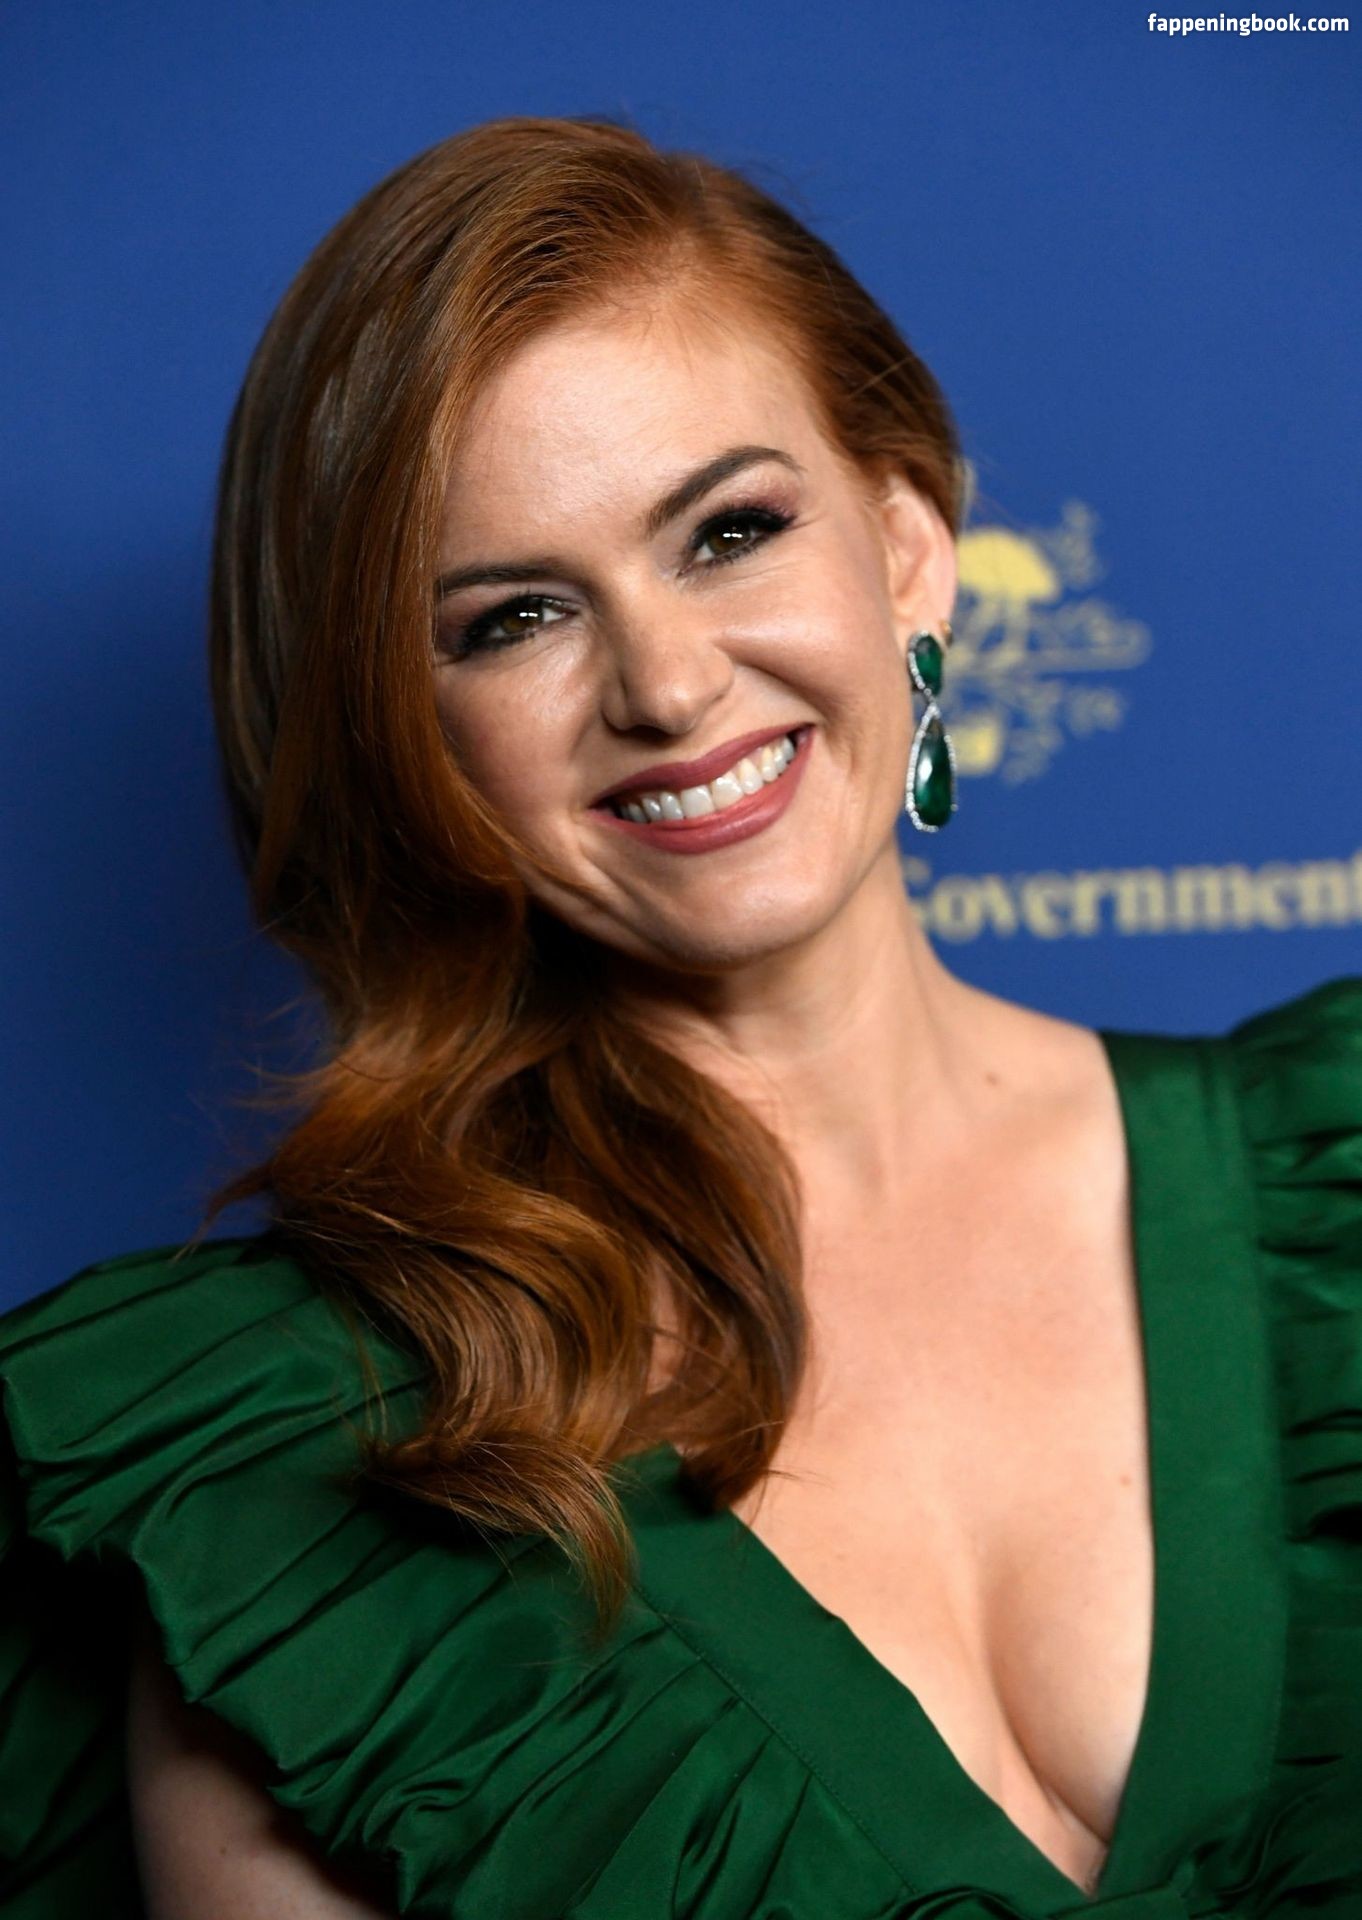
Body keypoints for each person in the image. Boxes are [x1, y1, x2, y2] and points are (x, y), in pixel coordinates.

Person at [1, 113, 1359, 1920]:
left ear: (905, 548)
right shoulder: (278, 1475)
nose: (663, 683)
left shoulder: (1335, 1188)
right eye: (512, 619)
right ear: (400, 735)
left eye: (728, 532)